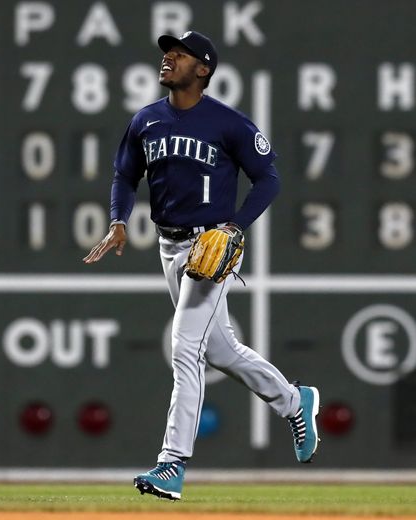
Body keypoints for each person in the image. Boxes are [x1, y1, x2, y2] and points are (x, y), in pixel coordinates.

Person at [82, 31, 320, 501]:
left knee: (185, 347)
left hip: (210, 249)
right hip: (169, 248)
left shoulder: (227, 123)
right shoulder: (146, 120)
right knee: (221, 351)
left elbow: (268, 179)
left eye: (181, 54)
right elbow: (125, 175)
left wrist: (235, 228)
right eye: (167, 52)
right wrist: (117, 219)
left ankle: (171, 464)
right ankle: (295, 400)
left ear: (203, 69)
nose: (168, 58)